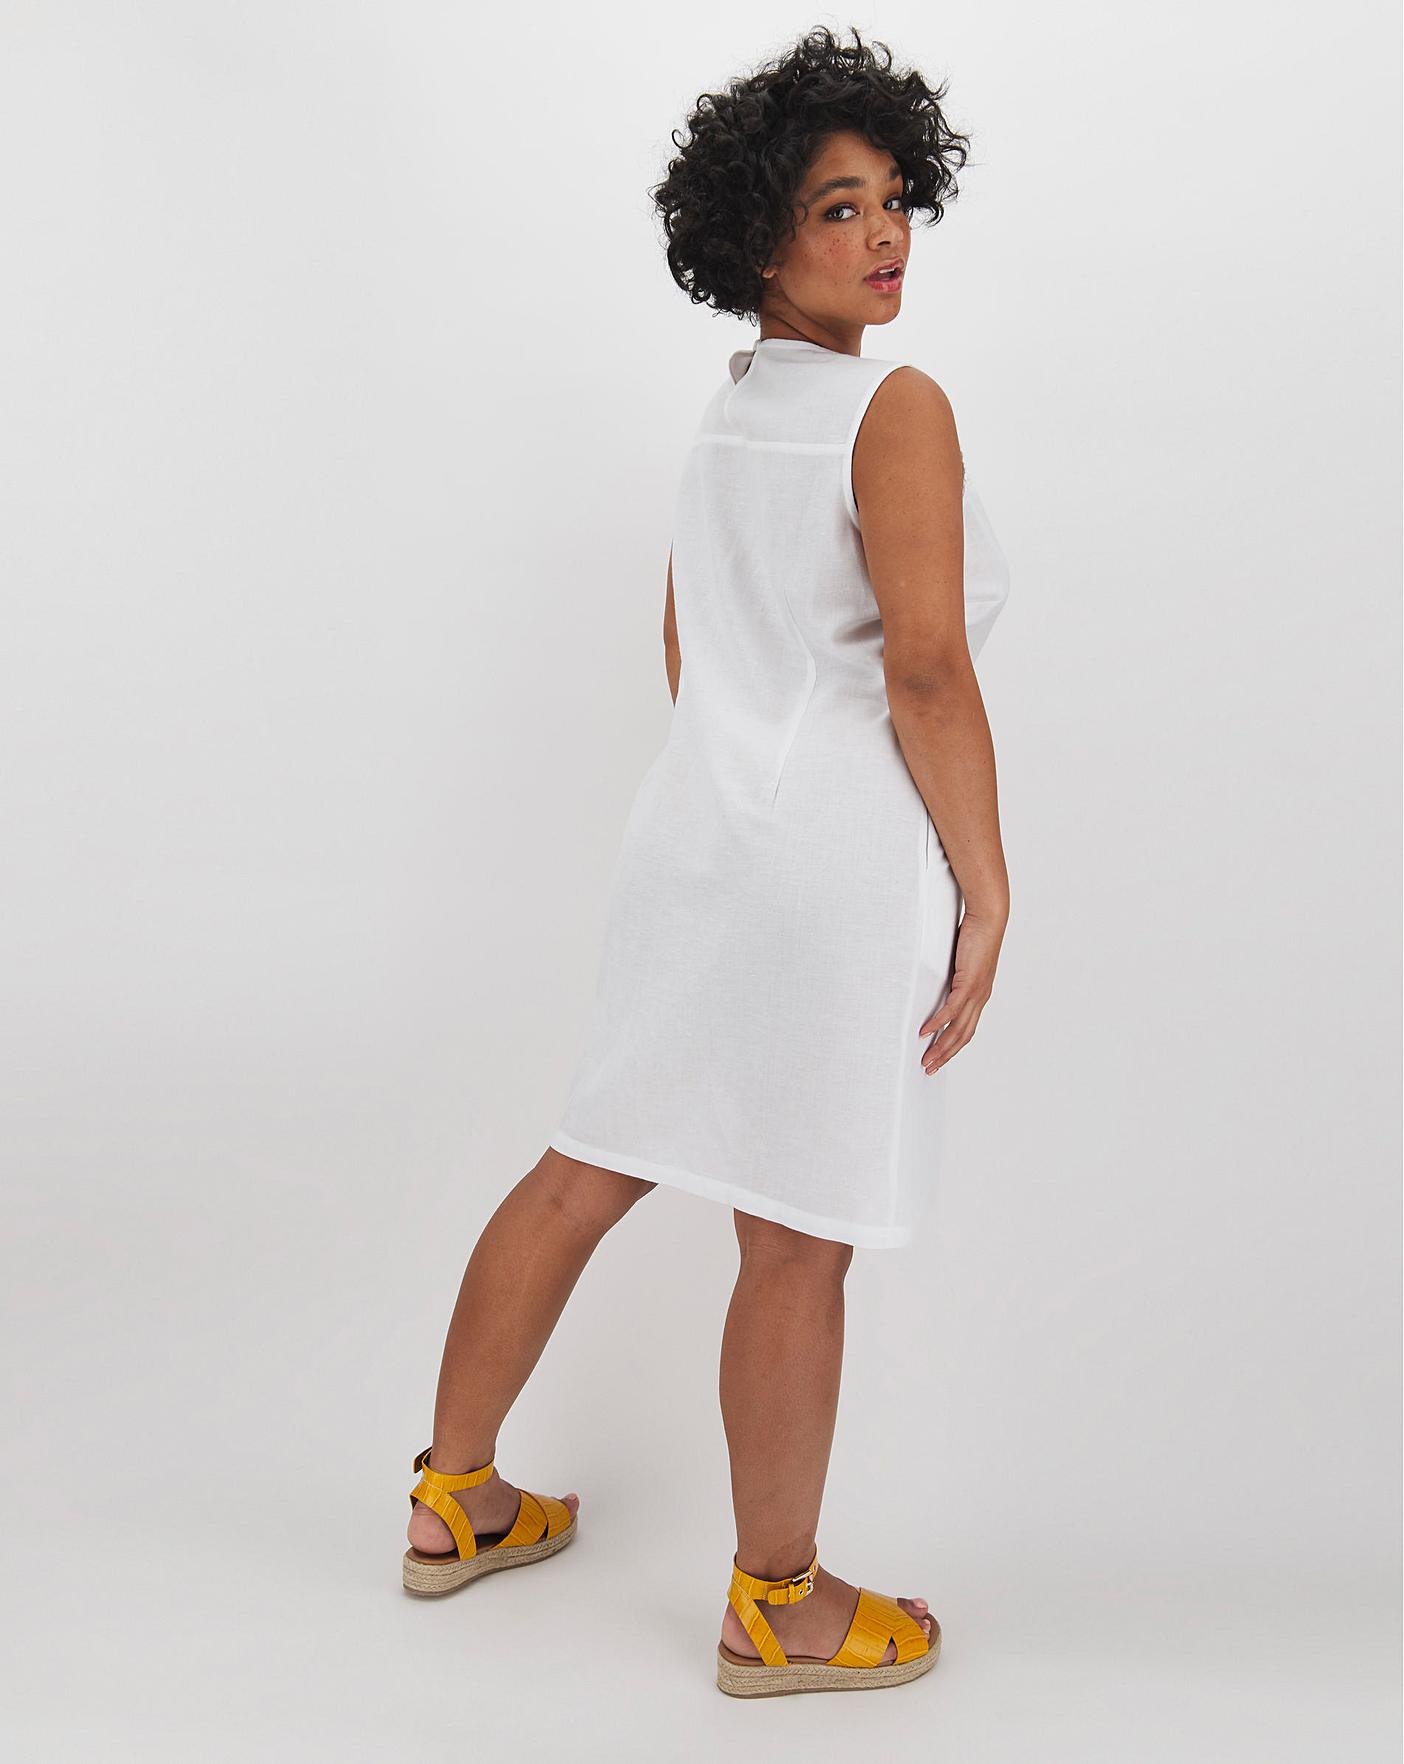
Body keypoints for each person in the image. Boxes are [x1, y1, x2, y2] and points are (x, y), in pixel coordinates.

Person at [401, 25, 1011, 1699]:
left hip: (694, 841)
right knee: (795, 1234)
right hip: (826, 867)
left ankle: (455, 1497)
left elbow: (690, 650)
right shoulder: (894, 408)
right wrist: (988, 887)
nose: (885, 234)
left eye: (894, 198)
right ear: (759, 240)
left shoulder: (735, 413)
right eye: (838, 208)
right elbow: (926, 673)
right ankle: (777, 1603)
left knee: (588, 1162)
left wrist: (739, 795)